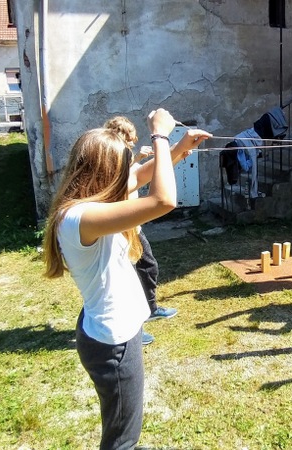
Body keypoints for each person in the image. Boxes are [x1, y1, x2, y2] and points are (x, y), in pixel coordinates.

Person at [42, 109, 210, 449]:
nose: (127, 175)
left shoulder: (87, 205)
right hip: (112, 342)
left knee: (123, 425)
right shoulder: (80, 217)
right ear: (103, 172)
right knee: (121, 438)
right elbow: (163, 200)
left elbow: (142, 175)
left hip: (114, 333)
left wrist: (179, 148)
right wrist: (159, 135)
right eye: (121, 168)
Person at [103, 116, 180, 346]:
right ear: (120, 135)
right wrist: (143, 154)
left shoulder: (125, 156)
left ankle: (151, 308)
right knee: (126, 281)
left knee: (148, 266)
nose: (133, 142)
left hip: (133, 227)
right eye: (129, 138)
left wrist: (177, 151)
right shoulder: (112, 157)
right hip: (120, 229)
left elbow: (140, 173)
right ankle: (133, 329)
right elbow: (124, 179)